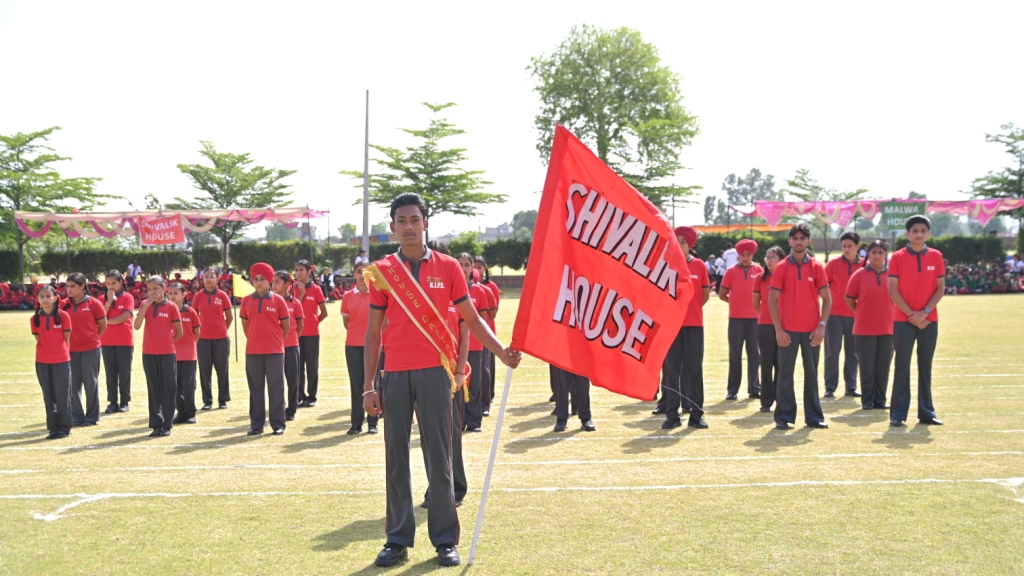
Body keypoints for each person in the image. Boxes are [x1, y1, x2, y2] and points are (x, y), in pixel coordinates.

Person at [362, 193, 521, 568]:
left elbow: (473, 319)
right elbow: (373, 333)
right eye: (402, 221)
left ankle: (445, 540)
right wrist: (369, 386)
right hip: (395, 373)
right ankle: (397, 539)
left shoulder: (449, 267)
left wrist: (501, 351)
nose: (409, 227)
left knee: (440, 457)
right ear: (392, 228)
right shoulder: (382, 271)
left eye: (415, 220)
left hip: (436, 373)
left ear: (426, 224)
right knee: (396, 458)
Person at [421, 240, 471, 509]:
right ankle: (436, 488)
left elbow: (465, 334)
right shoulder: (419, 295)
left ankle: (456, 487)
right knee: (429, 437)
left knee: (451, 435)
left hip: (451, 374)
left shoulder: (457, 292)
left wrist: (460, 372)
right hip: (422, 372)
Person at [769, 223, 831, 430]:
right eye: (795, 238)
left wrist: (821, 326)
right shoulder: (781, 268)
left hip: (812, 331)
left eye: (802, 238)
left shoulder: (817, 267)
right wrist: (779, 330)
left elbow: (827, 299)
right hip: (788, 331)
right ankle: (784, 417)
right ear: (789, 241)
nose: (798, 241)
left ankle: (814, 417)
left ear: (808, 241)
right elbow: (771, 301)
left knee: (811, 374)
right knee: (785, 375)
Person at [888, 215, 945, 427]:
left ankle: (927, 412)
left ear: (928, 233)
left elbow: (940, 289)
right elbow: (892, 291)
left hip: (929, 320)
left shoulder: (936, 256)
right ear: (908, 234)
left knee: (925, 366)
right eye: (915, 231)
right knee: (902, 366)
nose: (919, 234)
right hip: (903, 320)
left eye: (923, 231)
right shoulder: (897, 257)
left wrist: (925, 313)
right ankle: (898, 414)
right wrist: (914, 315)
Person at [661, 226, 710, 430]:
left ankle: (696, 414)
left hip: (694, 325)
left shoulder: (699, 265)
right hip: (672, 325)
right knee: (672, 371)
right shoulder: (666, 264)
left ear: (690, 244)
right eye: (676, 240)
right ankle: (672, 415)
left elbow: (704, 295)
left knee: (694, 370)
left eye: (683, 241)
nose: (679, 244)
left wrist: (692, 310)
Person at [239, 263, 291, 436]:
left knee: (276, 388)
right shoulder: (246, 300)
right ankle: (256, 425)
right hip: (253, 351)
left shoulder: (278, 300)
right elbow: (246, 325)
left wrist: (277, 342)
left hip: (275, 351)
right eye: (256, 279)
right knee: (255, 389)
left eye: (262, 279)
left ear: (269, 281)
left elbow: (286, 326)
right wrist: (254, 339)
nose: (259, 282)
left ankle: (278, 424)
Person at [845, 240, 893, 411]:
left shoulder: (893, 275)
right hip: (864, 328)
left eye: (881, 252)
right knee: (867, 366)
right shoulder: (859, 274)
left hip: (888, 327)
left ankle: (880, 400)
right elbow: (849, 298)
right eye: (874, 252)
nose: (877, 256)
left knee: (883, 366)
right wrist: (861, 312)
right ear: (868, 254)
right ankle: (867, 400)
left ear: (885, 255)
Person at [133, 276, 182, 437]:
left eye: (155, 288)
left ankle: (167, 424)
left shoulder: (171, 307)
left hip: (167, 354)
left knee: (169, 388)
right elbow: (137, 326)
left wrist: (167, 344)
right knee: (154, 389)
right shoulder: (144, 304)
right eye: (149, 289)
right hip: (148, 354)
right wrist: (146, 305)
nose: (152, 292)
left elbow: (179, 332)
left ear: (163, 288)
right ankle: (156, 424)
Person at [719, 239, 762, 400]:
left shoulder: (759, 271)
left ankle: (755, 388)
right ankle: (732, 390)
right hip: (735, 319)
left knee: (755, 355)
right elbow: (722, 294)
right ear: (738, 254)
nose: (745, 257)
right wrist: (735, 303)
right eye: (742, 254)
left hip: (755, 319)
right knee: (735, 354)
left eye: (748, 254)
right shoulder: (730, 271)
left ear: (753, 255)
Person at [62, 273, 107, 426]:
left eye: (73, 286)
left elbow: (103, 325)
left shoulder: (94, 303)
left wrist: (92, 338)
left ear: (82, 286)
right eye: (67, 286)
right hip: (70, 350)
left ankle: (92, 416)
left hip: (91, 349)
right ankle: (77, 416)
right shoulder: (63, 304)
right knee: (73, 384)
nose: (69, 289)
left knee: (91, 383)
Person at [457, 254, 493, 433]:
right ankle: (459, 420)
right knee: (457, 383)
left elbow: (482, 321)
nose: (463, 268)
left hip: (475, 346)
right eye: (460, 264)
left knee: (474, 383)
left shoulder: (479, 291)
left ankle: (473, 421)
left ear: (472, 268)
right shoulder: (450, 288)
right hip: (455, 346)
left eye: (466, 265)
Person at [823, 231, 862, 399]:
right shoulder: (832, 264)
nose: (846, 249)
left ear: (857, 246)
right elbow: (822, 286)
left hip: (856, 316)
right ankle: (830, 387)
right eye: (844, 246)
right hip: (833, 315)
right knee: (832, 352)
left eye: (850, 246)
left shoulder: (865, 265)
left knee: (853, 353)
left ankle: (851, 387)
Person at [32, 285, 73, 439]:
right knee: (48, 396)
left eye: (48, 296)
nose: (45, 299)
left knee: (63, 395)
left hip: (61, 360)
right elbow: (39, 339)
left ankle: (65, 427)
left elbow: (66, 338)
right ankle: (53, 427)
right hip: (42, 361)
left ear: (55, 298)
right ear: (37, 299)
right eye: (42, 296)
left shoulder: (64, 316)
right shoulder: (34, 319)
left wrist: (60, 352)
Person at [191, 268, 233, 410]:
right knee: (205, 371)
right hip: (203, 339)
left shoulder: (223, 295)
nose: (208, 279)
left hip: (221, 339)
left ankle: (223, 400)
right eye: (206, 277)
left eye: (211, 276)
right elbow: (194, 316)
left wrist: (222, 330)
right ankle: (207, 401)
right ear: (202, 279)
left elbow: (229, 317)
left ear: (217, 278)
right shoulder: (198, 296)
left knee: (222, 370)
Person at [341, 262, 375, 434]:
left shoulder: (378, 294)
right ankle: (356, 423)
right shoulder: (347, 296)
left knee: (373, 384)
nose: (362, 275)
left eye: (366, 272)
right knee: (356, 385)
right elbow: (347, 322)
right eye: (359, 272)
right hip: (353, 345)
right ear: (354, 274)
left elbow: (383, 322)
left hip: (373, 346)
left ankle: (373, 422)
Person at [753, 246, 786, 413]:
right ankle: (766, 401)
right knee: (766, 364)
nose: (769, 260)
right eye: (767, 257)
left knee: (782, 364)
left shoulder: (787, 277)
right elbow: (756, 303)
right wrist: (766, 317)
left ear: (781, 259)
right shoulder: (760, 278)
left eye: (773, 257)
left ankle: (781, 398)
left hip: (785, 326)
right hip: (765, 325)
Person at [294, 260, 328, 407]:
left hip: (312, 334)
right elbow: (293, 308)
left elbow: (324, 312)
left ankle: (312, 397)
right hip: (296, 334)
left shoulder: (316, 289)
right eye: (296, 270)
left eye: (301, 270)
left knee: (312, 366)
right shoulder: (292, 288)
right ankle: (300, 396)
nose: (298, 273)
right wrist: (301, 293)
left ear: (309, 272)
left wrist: (314, 322)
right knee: (298, 366)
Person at [100, 271, 135, 413]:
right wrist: (109, 301)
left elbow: (124, 317)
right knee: (110, 373)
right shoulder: (102, 298)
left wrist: (105, 322)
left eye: (114, 283)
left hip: (124, 341)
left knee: (124, 372)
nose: (111, 286)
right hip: (106, 341)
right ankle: (112, 402)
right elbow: (100, 315)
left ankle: (124, 402)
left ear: (121, 282)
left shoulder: (128, 297)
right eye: (108, 283)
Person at [273, 272, 304, 423]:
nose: (274, 285)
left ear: (287, 284)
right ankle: (278, 408)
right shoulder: (270, 302)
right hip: (274, 348)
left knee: (292, 380)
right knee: (276, 382)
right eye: (273, 282)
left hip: (291, 346)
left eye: (277, 282)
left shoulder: (295, 303)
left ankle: (291, 409)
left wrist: (292, 339)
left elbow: (300, 326)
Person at [168, 282, 201, 424]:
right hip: (171, 354)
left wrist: (191, 347)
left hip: (188, 355)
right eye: (170, 293)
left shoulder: (190, 311)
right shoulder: (167, 310)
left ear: (184, 295)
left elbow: (197, 332)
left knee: (188, 385)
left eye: (176, 293)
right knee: (175, 385)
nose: (172, 296)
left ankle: (190, 412)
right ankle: (180, 412)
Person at [474, 256, 501, 415]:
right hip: (469, 336)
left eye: (479, 267)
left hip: (486, 332)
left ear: (485, 268)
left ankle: (487, 397)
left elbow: (493, 312)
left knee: (486, 367)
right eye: (474, 266)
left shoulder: (490, 287)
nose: (476, 270)